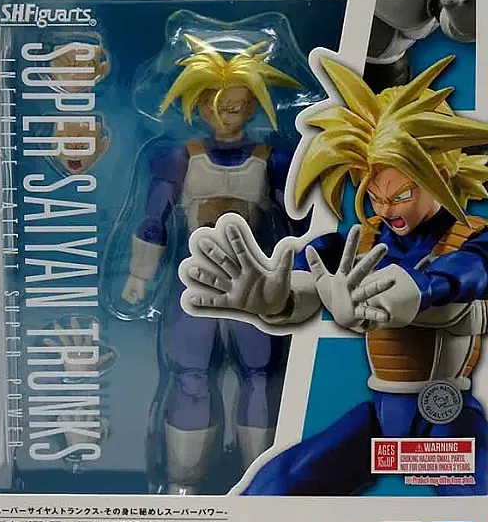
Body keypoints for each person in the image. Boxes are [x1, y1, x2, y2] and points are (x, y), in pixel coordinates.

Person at [181, 56, 488, 496]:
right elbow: (312, 267)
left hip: (443, 418)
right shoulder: (361, 241)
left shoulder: (472, 238)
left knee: (477, 510)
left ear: (439, 175)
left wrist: (404, 294)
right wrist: (276, 297)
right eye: (374, 195)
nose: (386, 209)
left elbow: (467, 272)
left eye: (402, 194)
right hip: (381, 418)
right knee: (271, 490)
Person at [121, 34, 302, 494]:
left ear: (253, 106)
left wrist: (305, 276)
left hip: (255, 282)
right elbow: (154, 220)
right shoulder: (179, 158)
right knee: (190, 376)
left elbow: (295, 224)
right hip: (193, 283)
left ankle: (261, 480)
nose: (226, 115)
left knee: (260, 378)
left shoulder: (272, 161)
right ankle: (184, 483)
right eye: (215, 105)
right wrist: (140, 275)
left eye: (236, 106)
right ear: (199, 107)